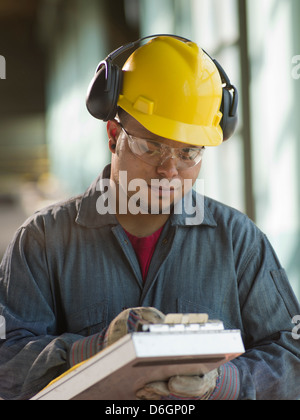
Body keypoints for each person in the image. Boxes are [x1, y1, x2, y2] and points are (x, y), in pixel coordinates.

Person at [0, 35, 299, 400]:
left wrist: (221, 384)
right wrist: (93, 351)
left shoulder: (239, 242)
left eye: (189, 152)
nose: (169, 171)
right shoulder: (41, 241)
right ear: (113, 136)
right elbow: (6, 362)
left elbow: (292, 357)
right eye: (150, 145)